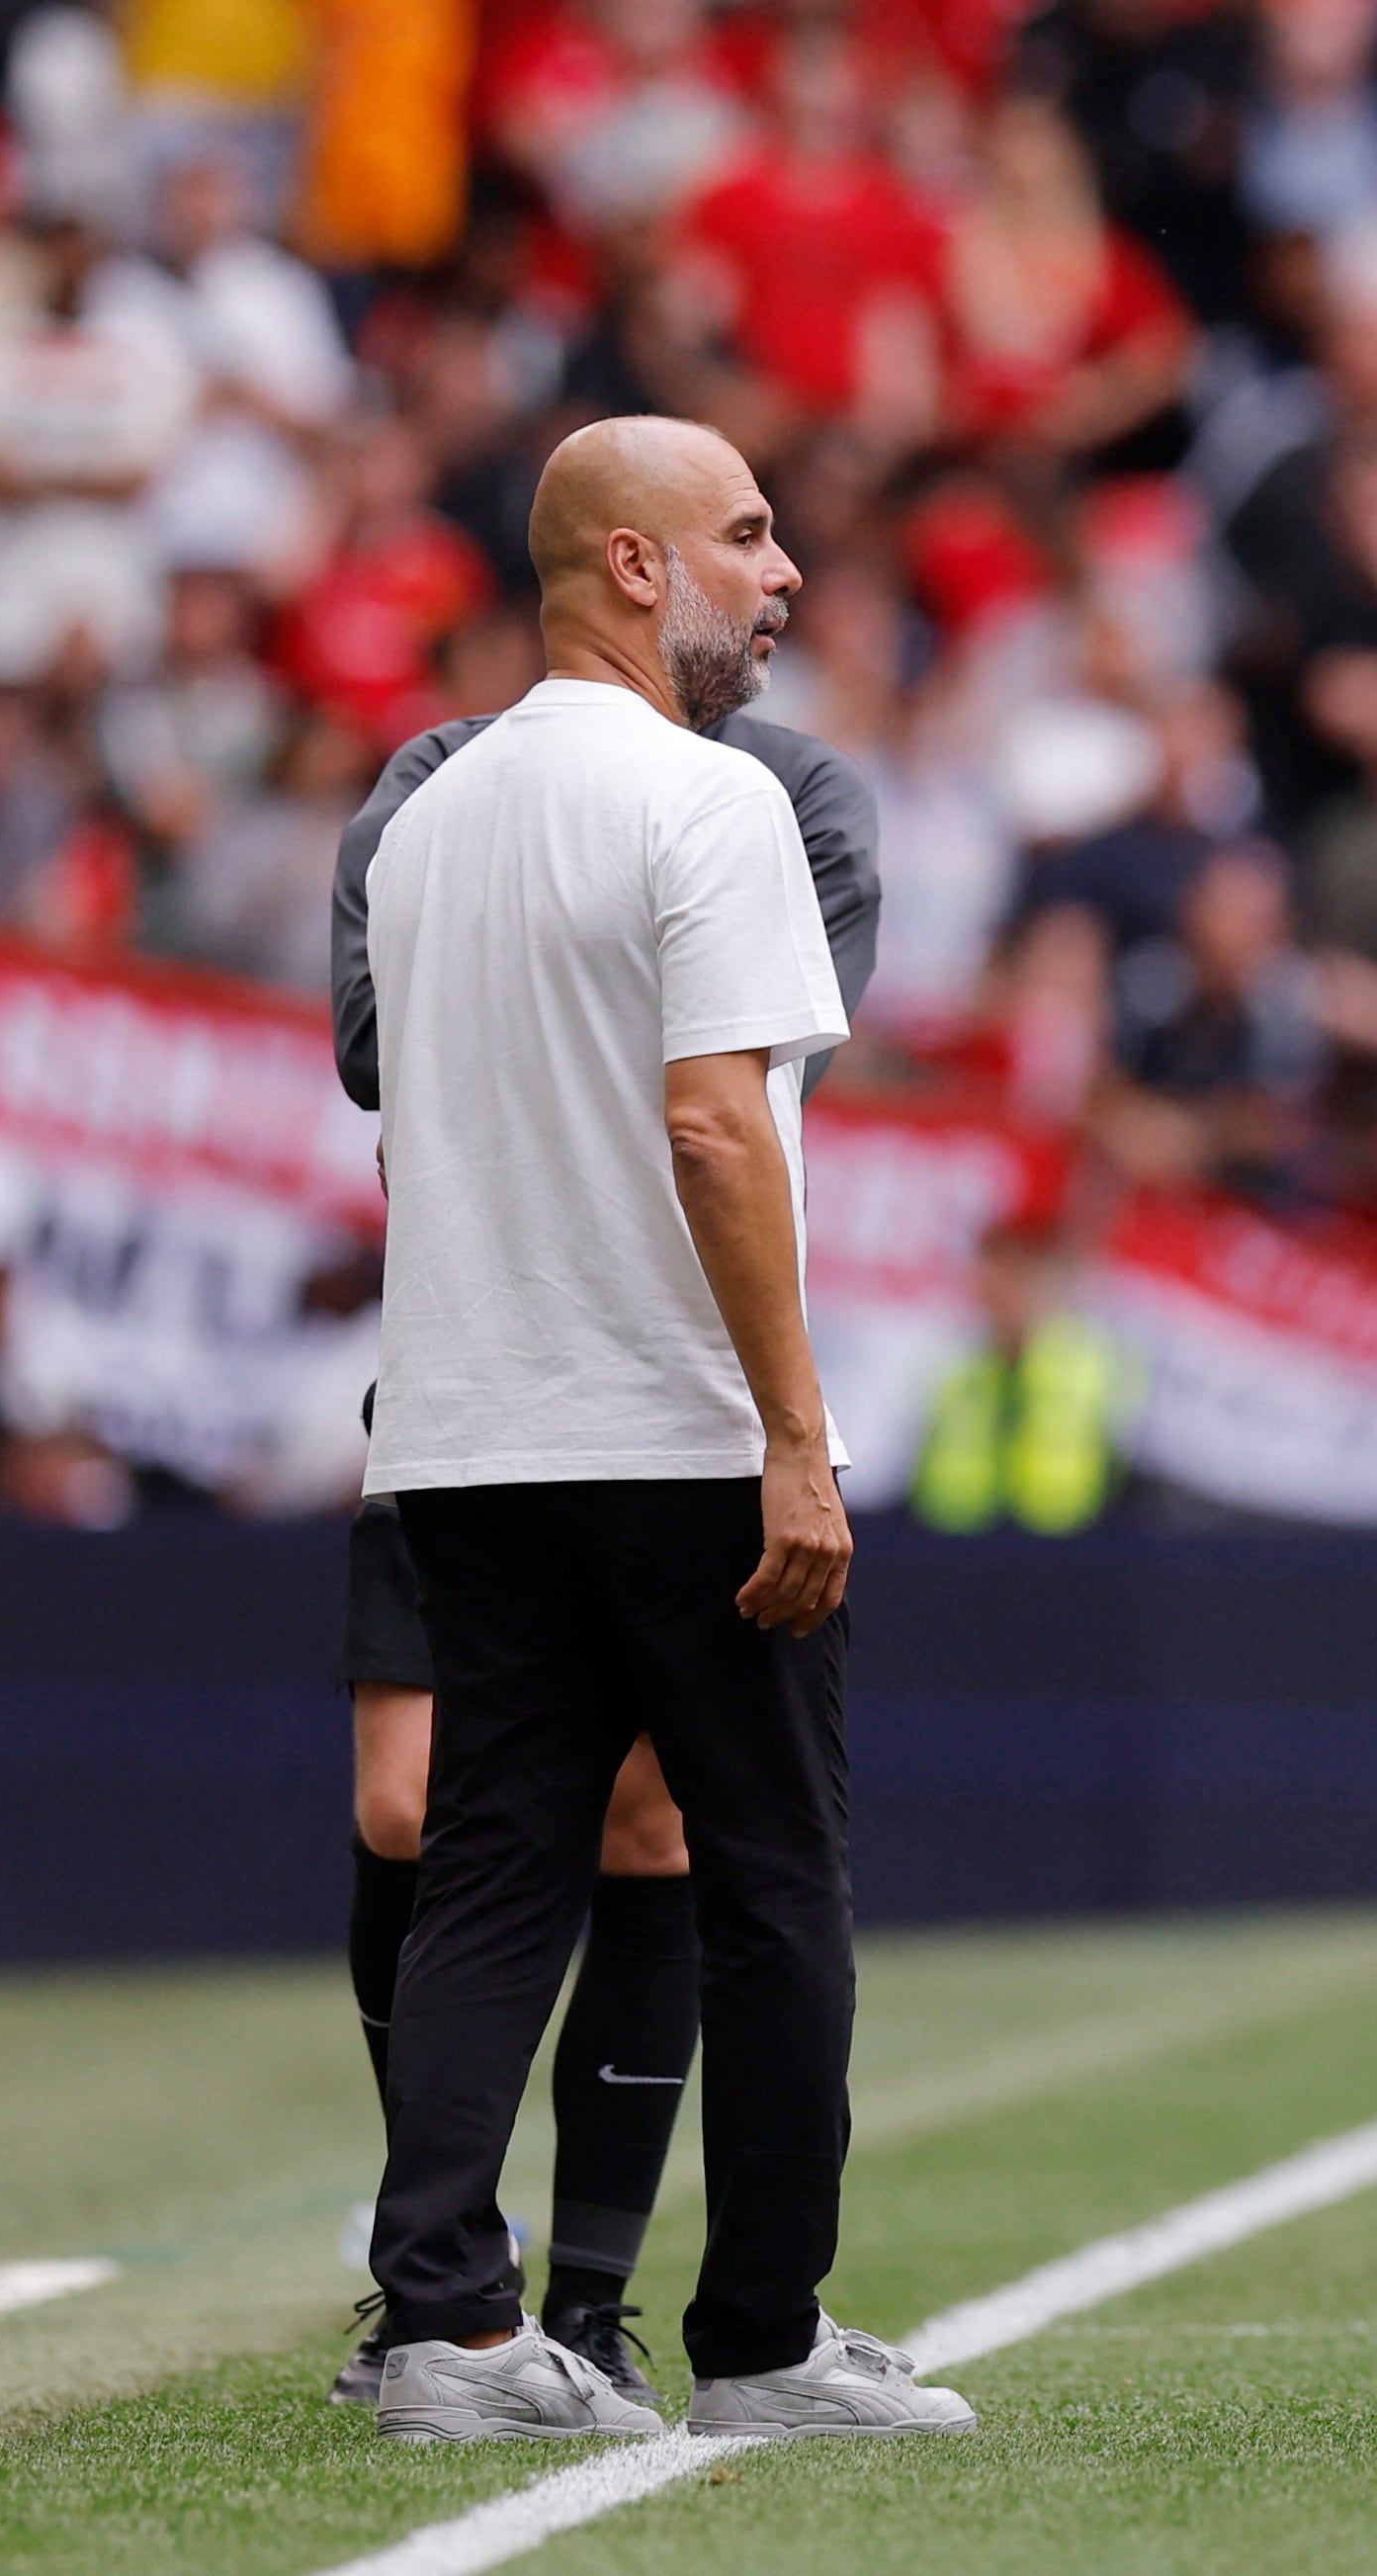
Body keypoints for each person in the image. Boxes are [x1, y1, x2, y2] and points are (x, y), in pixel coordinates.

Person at [357, 413, 969, 2443]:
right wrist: (797, 1436)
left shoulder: (428, 816)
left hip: (465, 1423)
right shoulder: (714, 809)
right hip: (675, 1428)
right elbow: (717, 1123)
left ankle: (448, 2325)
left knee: (491, 1874)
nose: (784, 572)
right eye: (748, 534)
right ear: (632, 565)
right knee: (773, 1874)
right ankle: (767, 2342)